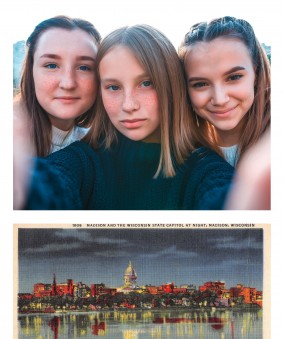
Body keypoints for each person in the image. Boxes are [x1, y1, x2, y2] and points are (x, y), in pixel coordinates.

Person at [14, 24, 234, 210]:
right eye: (113, 87)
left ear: (171, 86)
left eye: (146, 83)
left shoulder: (206, 170)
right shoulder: (84, 159)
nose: (128, 105)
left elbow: (227, 201)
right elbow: (49, 184)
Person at [179, 16, 270, 167]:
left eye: (234, 77)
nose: (220, 99)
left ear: (256, 73)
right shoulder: (183, 156)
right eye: (201, 84)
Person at [15, 15, 101, 156]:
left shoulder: (101, 148)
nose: (68, 83)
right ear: (32, 72)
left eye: (84, 67)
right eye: (52, 65)